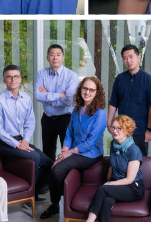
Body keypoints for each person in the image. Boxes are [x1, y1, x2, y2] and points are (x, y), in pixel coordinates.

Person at [46, 76, 107, 220]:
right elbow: (69, 132)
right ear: (80, 89)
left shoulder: (100, 114)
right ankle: (55, 205)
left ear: (97, 93)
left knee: (57, 170)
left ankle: (68, 197)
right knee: (52, 167)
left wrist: (70, 152)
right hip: (73, 150)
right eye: (85, 88)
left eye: (91, 90)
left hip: (90, 153)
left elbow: (90, 142)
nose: (87, 92)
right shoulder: (77, 109)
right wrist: (63, 151)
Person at [0, 65, 52, 201]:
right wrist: (17, 144)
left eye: (16, 76)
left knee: (48, 163)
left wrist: (25, 140)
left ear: (20, 79)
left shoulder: (26, 99)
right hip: (3, 143)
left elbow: (30, 122)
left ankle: (34, 192)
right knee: (35, 157)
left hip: (20, 139)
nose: (13, 79)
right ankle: (29, 198)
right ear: (4, 80)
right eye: (9, 77)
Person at [83, 115, 144, 222]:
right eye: (113, 127)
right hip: (118, 184)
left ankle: (89, 222)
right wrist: (110, 173)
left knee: (102, 189)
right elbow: (114, 161)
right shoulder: (113, 144)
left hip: (133, 188)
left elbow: (129, 179)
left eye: (119, 128)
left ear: (127, 130)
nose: (114, 131)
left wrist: (110, 184)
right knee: (106, 201)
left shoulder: (134, 150)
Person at [107, 45, 151, 156]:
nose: (128, 61)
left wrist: (149, 129)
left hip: (140, 131)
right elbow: (113, 103)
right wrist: (109, 122)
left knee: (139, 160)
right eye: (125, 58)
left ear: (138, 57)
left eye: (131, 57)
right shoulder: (119, 79)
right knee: (120, 159)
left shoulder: (149, 81)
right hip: (121, 130)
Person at [35, 45, 77, 166]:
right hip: (48, 119)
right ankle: (48, 177)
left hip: (66, 119)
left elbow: (70, 99)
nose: (55, 57)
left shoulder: (71, 75)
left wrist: (49, 99)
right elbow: (38, 96)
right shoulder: (41, 74)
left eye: (58, 55)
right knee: (48, 152)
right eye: (52, 54)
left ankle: (65, 176)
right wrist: (60, 95)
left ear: (62, 57)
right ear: (47, 57)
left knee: (67, 151)